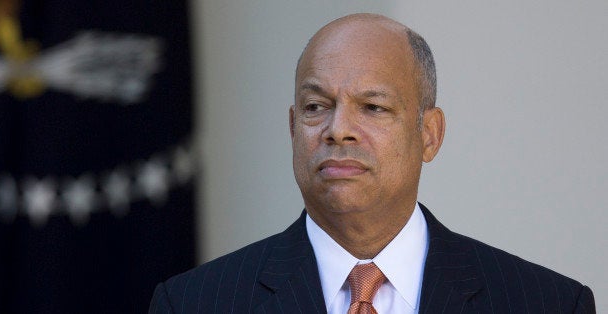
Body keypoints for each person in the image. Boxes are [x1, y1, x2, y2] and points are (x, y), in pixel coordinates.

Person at [149, 13, 595, 313]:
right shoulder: (193, 303)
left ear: (429, 134)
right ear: (292, 129)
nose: (337, 129)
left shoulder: (545, 302)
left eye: (373, 108)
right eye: (315, 106)